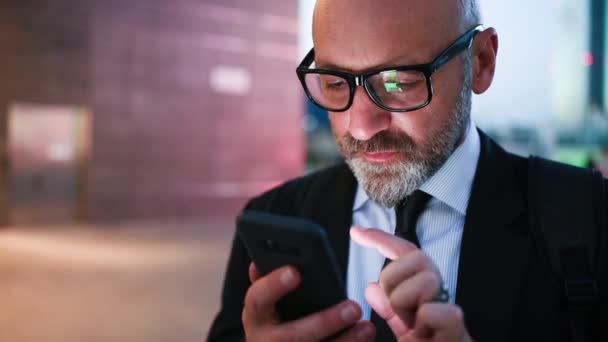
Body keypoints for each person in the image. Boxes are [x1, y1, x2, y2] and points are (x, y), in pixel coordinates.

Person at [208, 0, 608, 341]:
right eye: (334, 83)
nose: (361, 126)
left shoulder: (588, 216)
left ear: (481, 62)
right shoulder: (272, 220)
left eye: (399, 83)